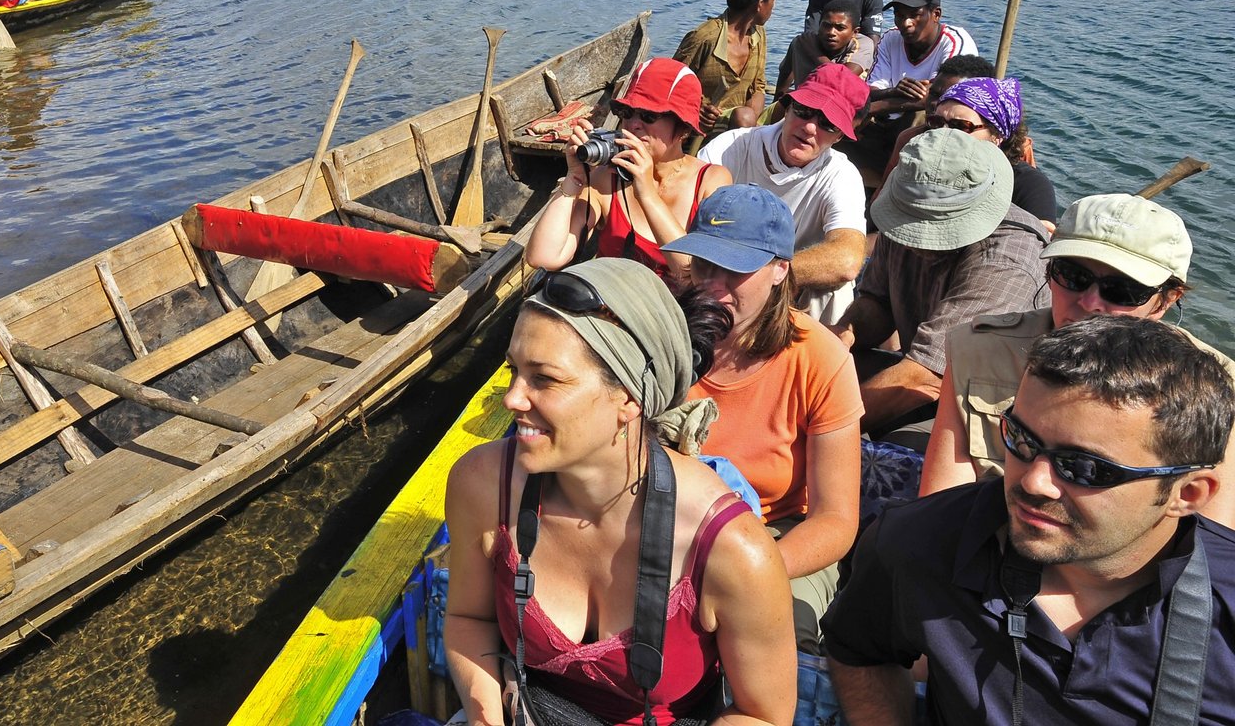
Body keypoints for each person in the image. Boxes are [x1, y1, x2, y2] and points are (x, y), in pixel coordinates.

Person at [823, 315, 1235, 726]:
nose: (1034, 481)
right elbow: (859, 651)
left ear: (1187, 494)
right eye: (1021, 440)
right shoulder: (919, 544)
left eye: (1084, 467)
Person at [445, 258, 796, 726]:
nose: (511, 398)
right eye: (513, 370)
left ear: (629, 398)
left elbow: (765, 716)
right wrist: (486, 717)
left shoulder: (732, 550)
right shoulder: (482, 484)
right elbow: (470, 620)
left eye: (544, 379)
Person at [921, 193, 1235, 525]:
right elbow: (939, 510)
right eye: (1072, 275)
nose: (1089, 303)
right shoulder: (980, 350)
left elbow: (1210, 537)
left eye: (1122, 290)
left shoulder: (1218, 389)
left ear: (1164, 301)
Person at [661, 185, 863, 654]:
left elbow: (834, 520)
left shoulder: (819, 359)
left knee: (779, 638)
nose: (714, 285)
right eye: (705, 266)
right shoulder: (663, 334)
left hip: (777, 532)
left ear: (780, 270)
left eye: (735, 270)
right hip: (668, 517)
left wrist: (746, 566)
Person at [834, 128, 1047, 448]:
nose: (915, 239)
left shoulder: (1006, 262)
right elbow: (878, 303)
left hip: (990, 412)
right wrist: (839, 336)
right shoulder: (908, 205)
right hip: (920, 371)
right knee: (818, 369)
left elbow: (925, 378)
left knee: (894, 453)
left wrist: (814, 431)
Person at [526, 57, 731, 289]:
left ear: (683, 129)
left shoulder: (711, 181)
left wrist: (647, 194)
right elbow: (543, 257)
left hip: (675, 318)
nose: (632, 125)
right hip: (613, 313)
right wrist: (575, 178)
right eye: (626, 112)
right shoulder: (607, 178)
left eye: (649, 116)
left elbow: (695, 276)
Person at [699, 64, 868, 325]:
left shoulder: (841, 175)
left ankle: (815, 361)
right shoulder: (729, 147)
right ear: (787, 108)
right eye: (804, 111)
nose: (810, 128)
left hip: (786, 284)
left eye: (827, 123)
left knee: (835, 290)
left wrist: (764, 278)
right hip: (722, 272)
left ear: (839, 137)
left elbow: (847, 259)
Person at [848, 0, 978, 182]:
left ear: (936, 14)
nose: (905, 23)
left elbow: (936, 100)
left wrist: (876, 107)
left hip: (931, 127)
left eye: (914, 15)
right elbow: (869, 92)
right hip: (886, 122)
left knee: (922, 112)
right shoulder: (891, 38)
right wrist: (894, 92)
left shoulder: (954, 42)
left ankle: (907, 177)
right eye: (899, 16)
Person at [928, 76, 1059, 231]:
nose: (943, 133)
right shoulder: (923, 166)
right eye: (936, 123)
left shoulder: (1029, 185)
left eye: (960, 126)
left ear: (996, 135)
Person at [672, 0, 776, 145]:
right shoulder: (704, 37)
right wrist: (699, 108)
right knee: (744, 117)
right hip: (703, 128)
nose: (773, 7)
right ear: (760, 5)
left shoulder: (759, 35)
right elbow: (672, 82)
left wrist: (752, 116)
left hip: (744, 122)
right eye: (773, 0)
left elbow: (758, 86)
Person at [878, 53, 996, 180]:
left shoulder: (996, 152)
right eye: (934, 94)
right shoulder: (910, 139)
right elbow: (885, 189)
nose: (936, 103)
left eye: (949, 98)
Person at [775, 0, 874, 97]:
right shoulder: (802, 42)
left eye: (840, 28)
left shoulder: (863, 44)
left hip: (841, 105)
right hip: (804, 105)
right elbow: (785, 72)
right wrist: (777, 102)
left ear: (855, 32)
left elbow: (842, 79)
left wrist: (814, 52)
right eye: (826, 26)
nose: (831, 32)